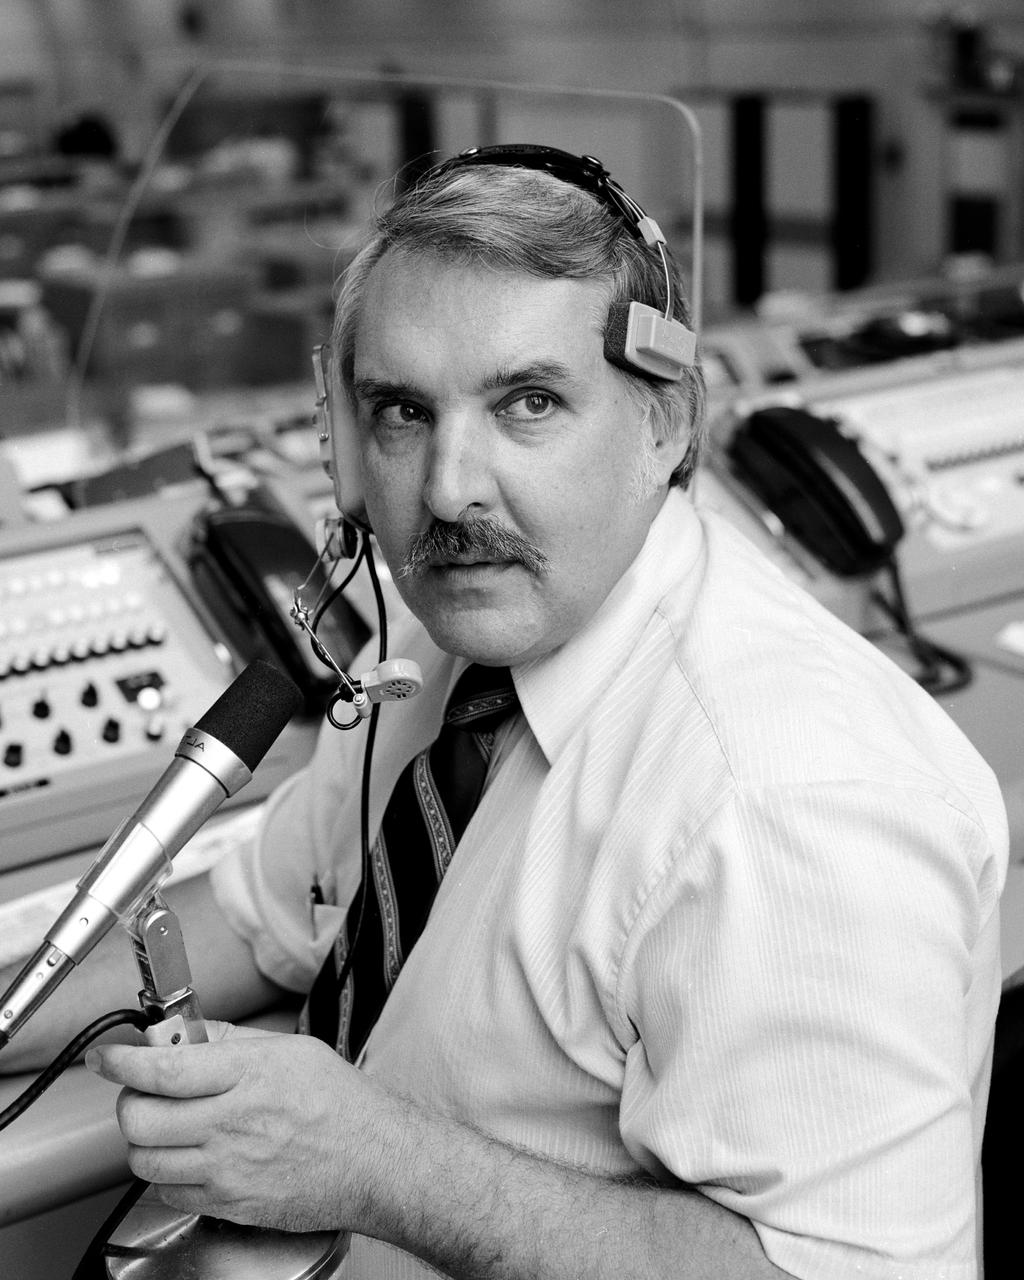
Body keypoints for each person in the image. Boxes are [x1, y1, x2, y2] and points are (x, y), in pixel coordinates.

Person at [0, 147, 1008, 1280]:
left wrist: (379, 1164)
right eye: (400, 412)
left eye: (528, 402)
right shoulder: (454, 656)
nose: (447, 489)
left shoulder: (785, 801)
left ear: (664, 423)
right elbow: (261, 913)